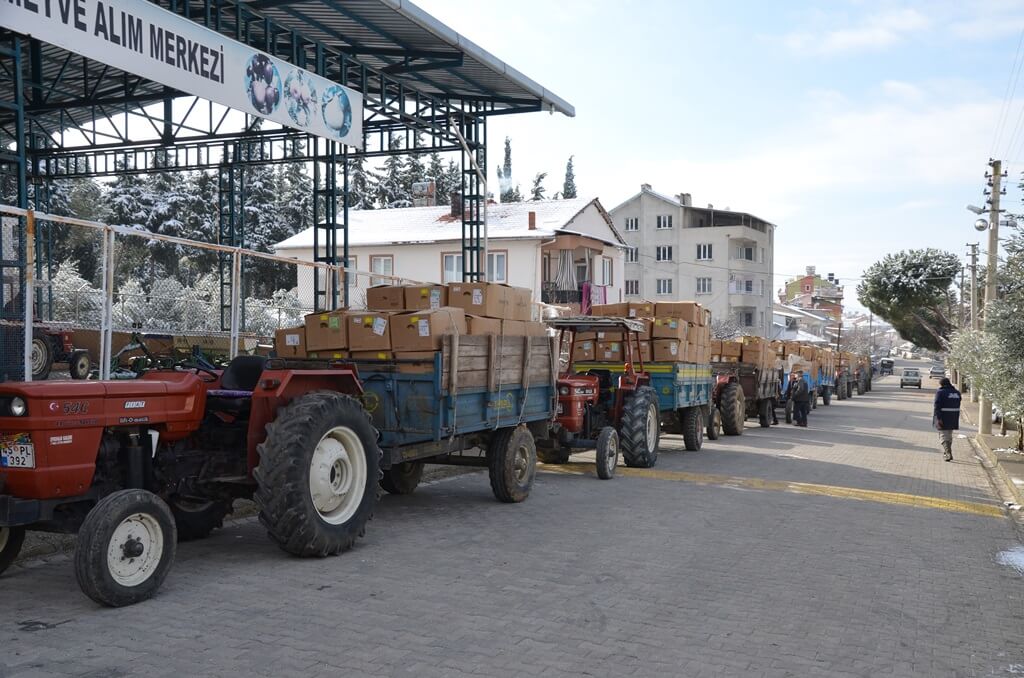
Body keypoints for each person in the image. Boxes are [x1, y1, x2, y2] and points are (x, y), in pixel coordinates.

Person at [934, 377, 962, 462]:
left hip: (943, 416)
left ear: (942, 384)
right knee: (949, 435)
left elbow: (937, 406)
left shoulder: (940, 392)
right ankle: (947, 452)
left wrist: (938, 418)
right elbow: (959, 401)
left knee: (943, 435)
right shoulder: (957, 392)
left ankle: (948, 453)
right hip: (954, 416)